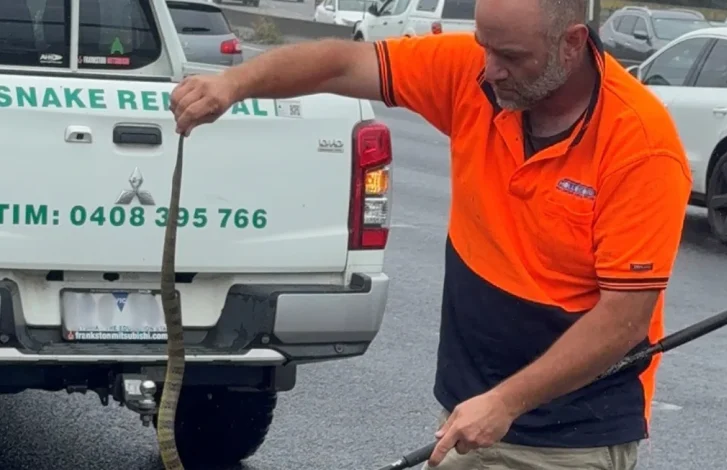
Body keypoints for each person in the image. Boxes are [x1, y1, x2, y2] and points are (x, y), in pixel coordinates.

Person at [170, 0, 693, 467]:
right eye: (484, 46)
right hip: (472, 417)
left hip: (568, 442)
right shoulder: (475, 74)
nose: (490, 69)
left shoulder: (639, 146)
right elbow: (345, 62)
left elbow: (623, 320)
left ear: (572, 43)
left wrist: (505, 402)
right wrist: (233, 85)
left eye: (510, 55)